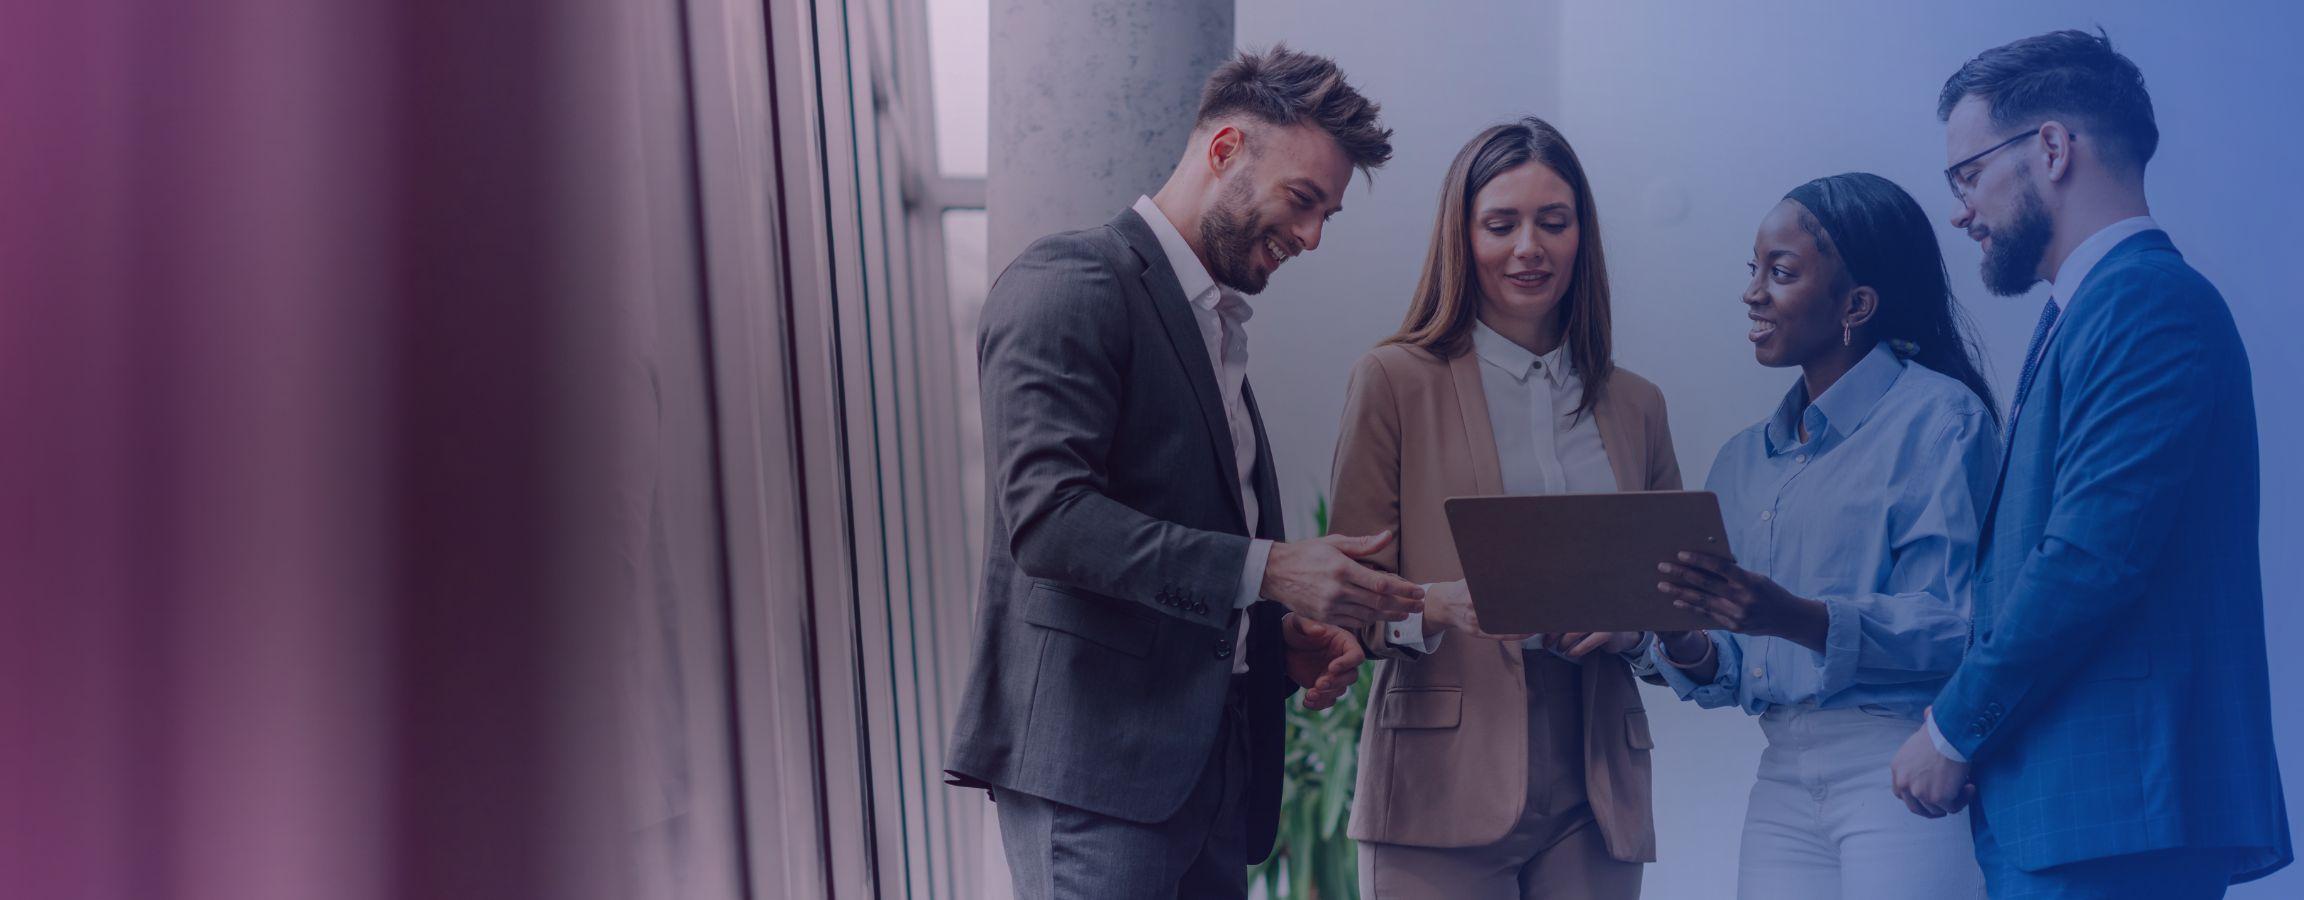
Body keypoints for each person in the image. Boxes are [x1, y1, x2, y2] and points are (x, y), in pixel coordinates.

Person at [941, 46, 1426, 900]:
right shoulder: (1069, 283)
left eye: (1328, 216)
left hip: (1206, 779)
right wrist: (1271, 569)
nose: (1312, 237)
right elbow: (1051, 523)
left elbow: (1171, 538)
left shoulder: (1216, 327)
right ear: (1226, 151)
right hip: (1096, 780)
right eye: (1303, 201)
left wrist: (1268, 641)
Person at [1889, 29, 2292, 898]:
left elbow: (2089, 557)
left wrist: (1953, 729)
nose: (1961, 209)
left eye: (1966, 176)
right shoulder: (2097, 308)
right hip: (2079, 813)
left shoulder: (2147, 303)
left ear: (2052, 147)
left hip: (2115, 814)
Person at [1328, 117, 1678, 899]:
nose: (1530, 247)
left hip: (1597, 780)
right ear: (1463, 236)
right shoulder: (1392, 382)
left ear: (1581, 237)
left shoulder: (1637, 405)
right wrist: (1438, 605)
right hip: (1440, 780)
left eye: (1554, 223)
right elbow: (1348, 601)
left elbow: (1673, 601)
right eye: (1501, 224)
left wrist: (1632, 626)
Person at [1642, 172, 1998, 898]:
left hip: (1900, 765)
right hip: (1781, 772)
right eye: (1754, 270)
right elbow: (1737, 666)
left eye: (1782, 272)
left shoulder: (1942, 419)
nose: (1752, 293)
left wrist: (1794, 616)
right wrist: (1682, 637)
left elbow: (1959, 626)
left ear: (1856, 306)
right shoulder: (1742, 460)